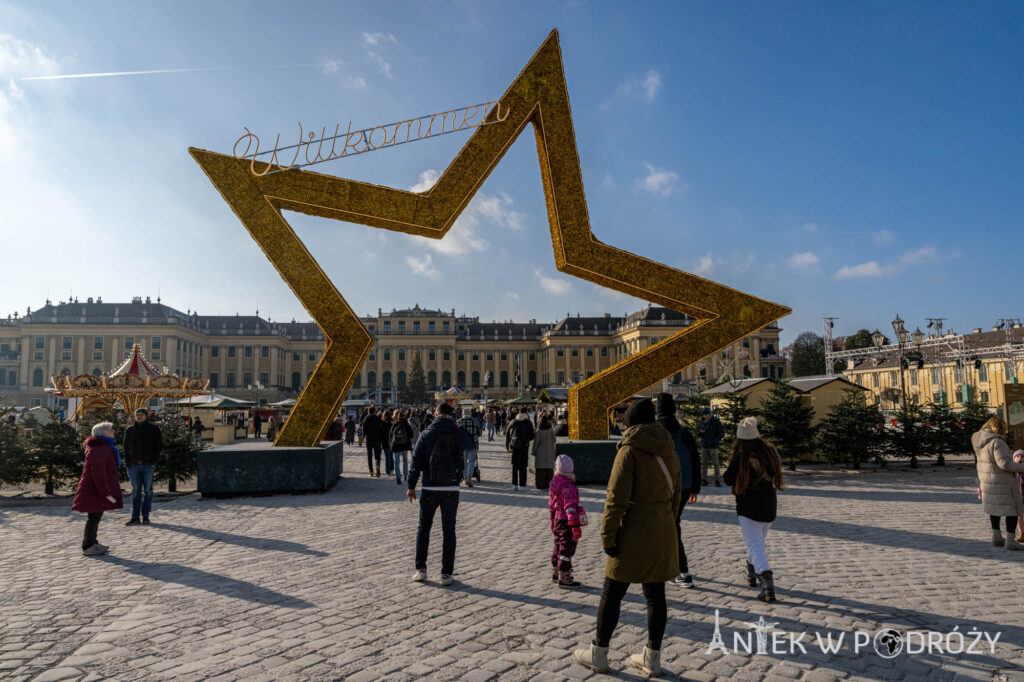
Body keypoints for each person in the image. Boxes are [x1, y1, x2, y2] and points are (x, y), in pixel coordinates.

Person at [574, 398, 681, 677]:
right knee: (656, 596)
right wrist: (666, 520)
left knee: (612, 593)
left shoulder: (629, 450)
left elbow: (615, 498)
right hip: (663, 528)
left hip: (632, 529)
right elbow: (677, 494)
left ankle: (599, 653)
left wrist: (607, 535)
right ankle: (653, 658)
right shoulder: (668, 447)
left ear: (630, 423)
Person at [407, 403, 475, 585]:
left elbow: (415, 463)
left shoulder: (427, 433)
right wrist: (459, 428)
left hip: (429, 487)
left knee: (424, 528)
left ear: (436, 413)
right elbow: (471, 444)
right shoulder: (456, 431)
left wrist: (411, 486)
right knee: (449, 530)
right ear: (452, 415)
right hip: (451, 489)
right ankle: (446, 573)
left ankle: (420, 569)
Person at [723, 416, 785, 603]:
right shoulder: (769, 451)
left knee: (756, 544)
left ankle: (767, 585)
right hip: (769, 506)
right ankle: (751, 572)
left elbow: (727, 478)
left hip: (748, 506)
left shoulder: (740, 455)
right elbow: (775, 474)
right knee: (757, 542)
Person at [655, 393, 701, 589]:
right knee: (673, 524)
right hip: (683, 487)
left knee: (667, 527)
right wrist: (695, 488)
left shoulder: (654, 431)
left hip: (659, 488)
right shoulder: (684, 433)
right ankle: (671, 567)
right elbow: (695, 461)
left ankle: (681, 571)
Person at [972, 417, 1024, 550]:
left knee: (994, 508)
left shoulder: (980, 441)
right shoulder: (997, 442)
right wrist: (1021, 467)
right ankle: (1011, 541)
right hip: (1002, 482)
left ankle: (996, 537)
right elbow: (1004, 464)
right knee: (1012, 510)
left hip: (987, 481)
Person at [72, 422, 124, 556]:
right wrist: (106, 492)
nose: (113, 431)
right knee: (93, 517)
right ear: (103, 433)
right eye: (111, 429)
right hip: (95, 490)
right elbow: (98, 473)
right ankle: (88, 545)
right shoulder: (99, 449)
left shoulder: (104, 447)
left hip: (97, 489)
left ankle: (92, 542)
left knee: (96, 516)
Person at [549, 454, 583, 588]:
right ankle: (564, 576)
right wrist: (575, 526)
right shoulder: (569, 487)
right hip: (566, 521)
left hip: (557, 518)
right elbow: (570, 509)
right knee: (566, 547)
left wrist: (552, 519)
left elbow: (551, 504)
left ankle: (556, 571)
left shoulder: (554, 482)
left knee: (558, 544)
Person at [123, 408, 162, 525]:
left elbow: (158, 446)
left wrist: (153, 461)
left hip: (147, 464)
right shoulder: (130, 430)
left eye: (141, 415)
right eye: (137, 415)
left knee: (148, 491)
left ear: (146, 416)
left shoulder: (153, 430)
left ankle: (145, 515)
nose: (139, 416)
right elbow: (125, 447)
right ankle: (135, 516)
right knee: (136, 491)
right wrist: (128, 463)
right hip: (133, 465)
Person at [506, 407, 536, 491]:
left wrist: (507, 445)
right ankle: (522, 485)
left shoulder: (513, 421)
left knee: (515, 465)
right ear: (526, 412)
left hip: (514, 446)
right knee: (523, 465)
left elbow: (507, 433)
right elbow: (532, 435)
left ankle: (514, 484)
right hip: (524, 446)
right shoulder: (528, 422)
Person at [697, 407, 724, 487]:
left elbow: (721, 433)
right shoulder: (701, 422)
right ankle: (704, 479)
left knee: (716, 463)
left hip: (713, 446)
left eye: (707, 414)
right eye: (704, 414)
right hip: (704, 445)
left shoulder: (716, 422)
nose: (706, 416)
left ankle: (717, 480)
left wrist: (715, 441)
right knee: (704, 463)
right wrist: (700, 432)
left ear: (710, 414)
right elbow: (697, 432)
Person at [457, 409, 482, 487]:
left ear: (462, 413)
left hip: (462, 445)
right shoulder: (475, 421)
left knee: (463, 461)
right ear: (470, 413)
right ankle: (469, 478)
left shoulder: (459, 421)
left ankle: (464, 478)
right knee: (471, 461)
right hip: (473, 443)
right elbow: (479, 433)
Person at [389, 411, 414, 485]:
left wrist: (391, 444)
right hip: (405, 446)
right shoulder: (407, 425)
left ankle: (398, 478)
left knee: (396, 462)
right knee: (405, 461)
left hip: (396, 446)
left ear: (398, 417)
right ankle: (405, 476)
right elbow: (411, 435)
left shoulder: (395, 424)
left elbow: (390, 435)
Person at [533, 416, 557, 489]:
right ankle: (549, 485)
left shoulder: (538, 431)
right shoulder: (551, 431)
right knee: (549, 470)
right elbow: (554, 440)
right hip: (549, 452)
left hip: (540, 453)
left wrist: (534, 452)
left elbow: (536, 443)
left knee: (540, 470)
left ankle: (540, 485)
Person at [362, 406, 385, 477]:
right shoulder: (378, 418)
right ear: (374, 411)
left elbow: (364, 429)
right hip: (377, 439)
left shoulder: (366, 419)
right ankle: (377, 465)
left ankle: (371, 471)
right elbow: (383, 426)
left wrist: (364, 436)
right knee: (377, 455)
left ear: (368, 411)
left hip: (369, 439)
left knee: (369, 455)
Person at [382, 410, 395, 478]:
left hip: (385, 442)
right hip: (392, 442)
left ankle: (388, 471)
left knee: (387, 457)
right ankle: (392, 469)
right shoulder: (392, 422)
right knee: (391, 456)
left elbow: (382, 434)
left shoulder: (384, 423)